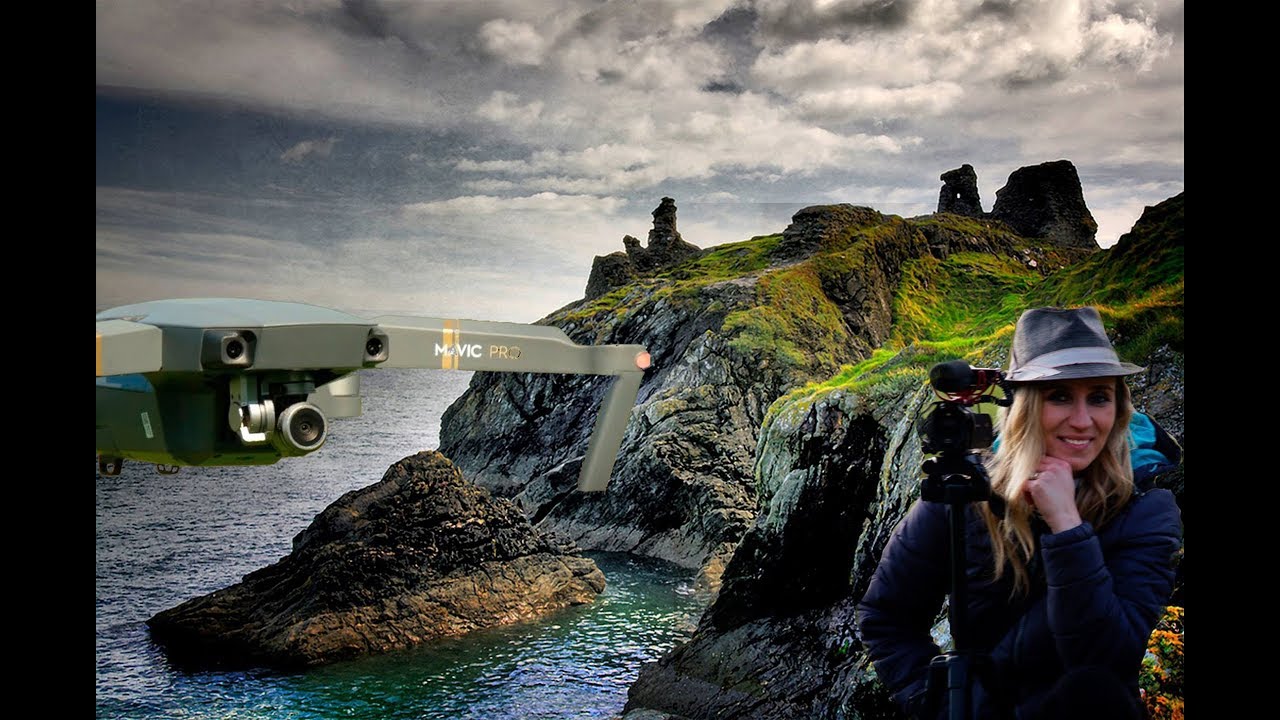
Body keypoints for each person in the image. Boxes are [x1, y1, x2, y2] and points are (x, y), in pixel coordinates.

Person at [855, 306, 1183, 720]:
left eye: (1099, 396)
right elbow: (887, 615)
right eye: (1059, 396)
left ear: (1119, 408)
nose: (1083, 421)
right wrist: (941, 703)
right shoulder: (967, 494)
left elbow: (1107, 661)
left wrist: (1068, 529)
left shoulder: (1146, 511)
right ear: (1024, 406)